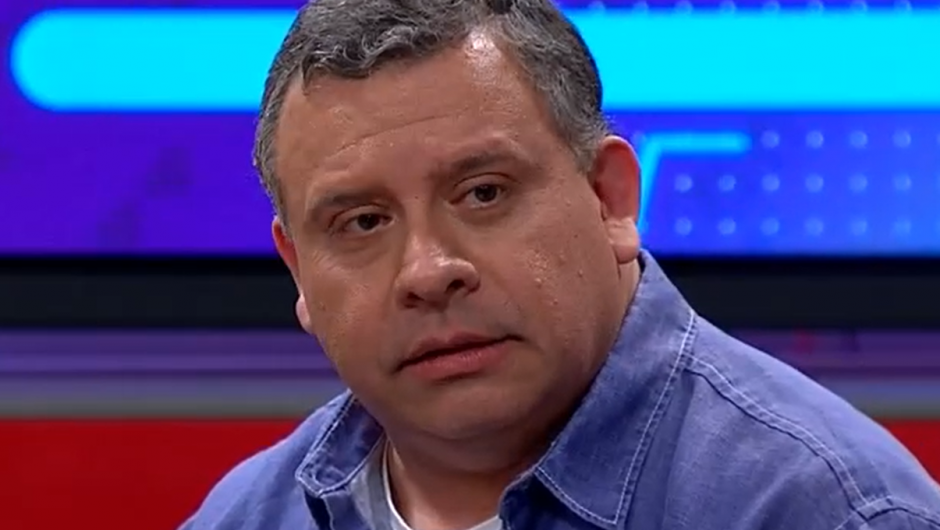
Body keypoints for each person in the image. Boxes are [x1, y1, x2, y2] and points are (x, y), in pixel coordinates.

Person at [181, 0, 940, 528]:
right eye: (363, 222)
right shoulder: (243, 517)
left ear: (610, 199)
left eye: (483, 193)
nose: (428, 270)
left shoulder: (831, 513)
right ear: (298, 269)